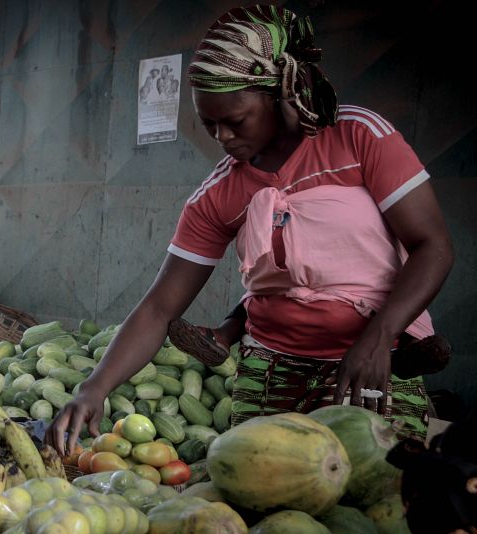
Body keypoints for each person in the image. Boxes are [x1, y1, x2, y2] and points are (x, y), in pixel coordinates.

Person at [47, 4, 454, 455]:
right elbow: (159, 309)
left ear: (280, 95)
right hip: (270, 372)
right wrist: (94, 387)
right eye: (208, 124)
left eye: (235, 121)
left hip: (375, 360)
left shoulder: (358, 137)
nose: (221, 137)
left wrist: (379, 336)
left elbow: (432, 246)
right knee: (261, 494)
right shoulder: (219, 192)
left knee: (376, 491)